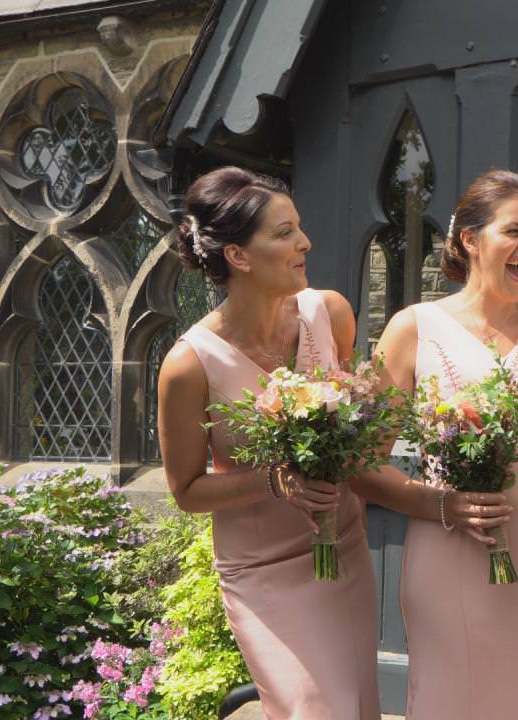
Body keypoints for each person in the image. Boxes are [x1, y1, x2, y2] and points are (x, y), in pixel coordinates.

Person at [356, 169, 518, 718]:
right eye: (514, 231)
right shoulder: (415, 328)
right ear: (469, 239)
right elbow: (361, 465)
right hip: (450, 561)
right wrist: (444, 504)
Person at [157, 166, 380, 717]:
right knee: (314, 708)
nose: (304, 242)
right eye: (284, 233)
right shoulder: (188, 364)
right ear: (238, 255)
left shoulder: (329, 313)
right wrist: (274, 481)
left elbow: (346, 430)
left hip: (343, 547)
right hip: (264, 573)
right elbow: (186, 490)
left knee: (355, 707)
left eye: (298, 228)